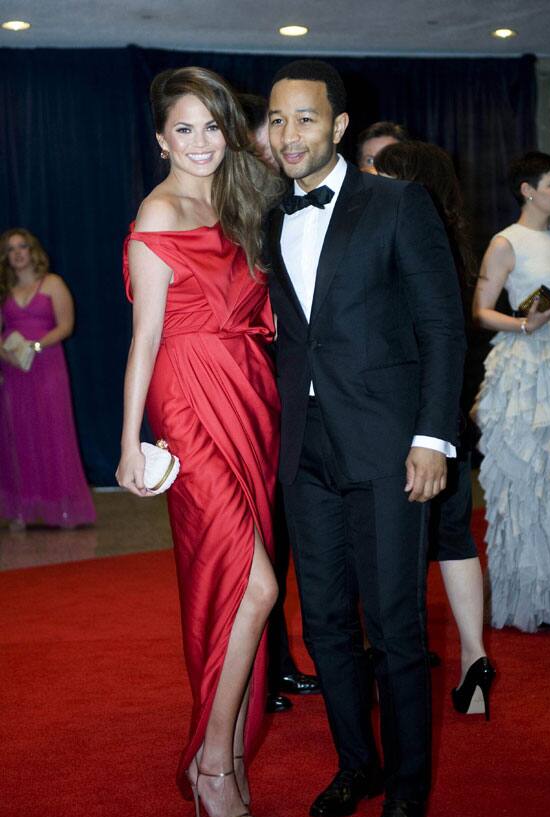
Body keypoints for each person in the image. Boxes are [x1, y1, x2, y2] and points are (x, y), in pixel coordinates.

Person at [267, 60, 466, 817]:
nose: (289, 135)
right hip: (304, 454)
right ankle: (359, 764)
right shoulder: (265, 214)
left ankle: (408, 790)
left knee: (395, 625)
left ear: (339, 125)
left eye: (305, 119)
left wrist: (432, 436)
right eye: (277, 120)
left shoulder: (397, 203)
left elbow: (443, 327)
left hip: (389, 449)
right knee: (323, 623)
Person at [116, 66, 283, 817]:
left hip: (249, 395)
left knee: (239, 581)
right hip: (187, 400)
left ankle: (229, 751)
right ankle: (213, 760)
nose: (201, 141)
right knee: (256, 587)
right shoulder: (158, 213)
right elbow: (145, 337)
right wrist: (128, 443)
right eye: (184, 128)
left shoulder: (240, 202)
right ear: (160, 140)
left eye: (213, 125)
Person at [374, 141, 495, 719]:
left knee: (394, 542)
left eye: (379, 170)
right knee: (454, 538)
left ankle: (400, 660)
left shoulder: (399, 236)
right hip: (447, 415)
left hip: (407, 414)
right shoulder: (456, 240)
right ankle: (474, 662)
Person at [472, 151, 550, 632]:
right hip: (528, 361)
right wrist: (523, 323)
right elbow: (480, 311)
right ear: (527, 189)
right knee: (532, 477)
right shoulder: (505, 242)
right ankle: (531, 597)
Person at [238, 91, 320, 713]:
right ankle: (259, 672)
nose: (278, 142)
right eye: (268, 130)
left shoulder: (286, 203)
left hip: (289, 389)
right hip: (246, 386)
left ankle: (280, 662)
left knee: (283, 535)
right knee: (257, 536)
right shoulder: (241, 211)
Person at [0, 228, 95, 530]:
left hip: (47, 366)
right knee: (18, 437)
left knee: (54, 433)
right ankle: (22, 511)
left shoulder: (52, 283)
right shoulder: (4, 290)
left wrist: (37, 345)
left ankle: (63, 508)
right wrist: (7, 355)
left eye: (23, 246)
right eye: (11, 248)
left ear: (32, 251)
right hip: (15, 370)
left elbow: (67, 325)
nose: (17, 253)